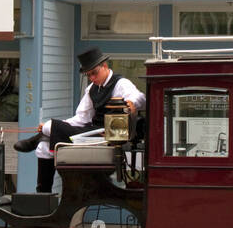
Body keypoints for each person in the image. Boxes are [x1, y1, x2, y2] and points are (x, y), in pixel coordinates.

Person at [14, 48, 146, 193]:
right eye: (88, 75)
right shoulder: (91, 89)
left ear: (105, 66)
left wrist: (131, 103)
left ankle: (36, 139)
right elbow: (81, 118)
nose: (92, 78)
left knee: (49, 127)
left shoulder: (121, 83)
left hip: (107, 137)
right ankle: (43, 194)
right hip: (91, 131)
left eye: (94, 73)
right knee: (44, 146)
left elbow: (140, 98)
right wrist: (55, 126)